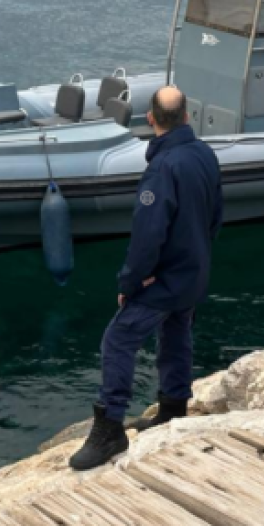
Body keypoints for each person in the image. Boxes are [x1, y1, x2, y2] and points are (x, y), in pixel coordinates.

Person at [69, 86, 223, 471]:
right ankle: (173, 407)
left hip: (164, 280)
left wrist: (131, 283)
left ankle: (109, 428)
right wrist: (197, 259)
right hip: (192, 273)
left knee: (118, 339)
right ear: (187, 115)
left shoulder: (162, 168)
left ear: (151, 118)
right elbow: (215, 216)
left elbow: (148, 235)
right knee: (176, 333)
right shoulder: (205, 155)